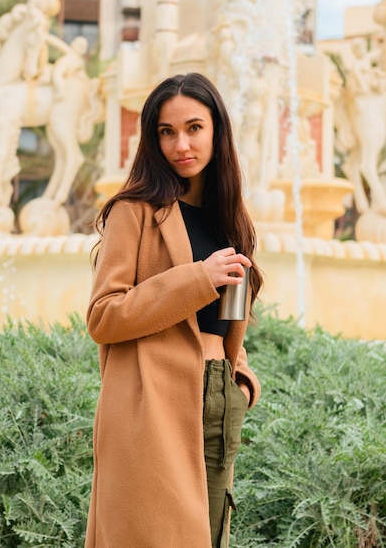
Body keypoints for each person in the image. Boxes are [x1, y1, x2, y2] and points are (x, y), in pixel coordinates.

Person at [85, 72, 263, 548]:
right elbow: (103, 316)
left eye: (194, 128)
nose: (181, 143)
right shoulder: (135, 210)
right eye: (167, 132)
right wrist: (198, 278)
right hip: (152, 405)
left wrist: (240, 379)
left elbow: (229, 317)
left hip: (218, 399)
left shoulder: (232, 220)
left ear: (217, 131)